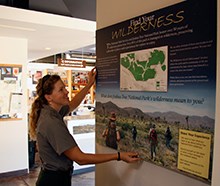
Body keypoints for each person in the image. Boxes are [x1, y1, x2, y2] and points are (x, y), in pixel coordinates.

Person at [29, 67, 139, 186]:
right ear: (48, 97)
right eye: (61, 90)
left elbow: (72, 104)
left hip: (54, 177)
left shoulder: (50, 111)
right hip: (54, 180)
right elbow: (80, 158)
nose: (66, 91)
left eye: (64, 87)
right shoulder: (51, 122)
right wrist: (119, 156)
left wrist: (89, 84)